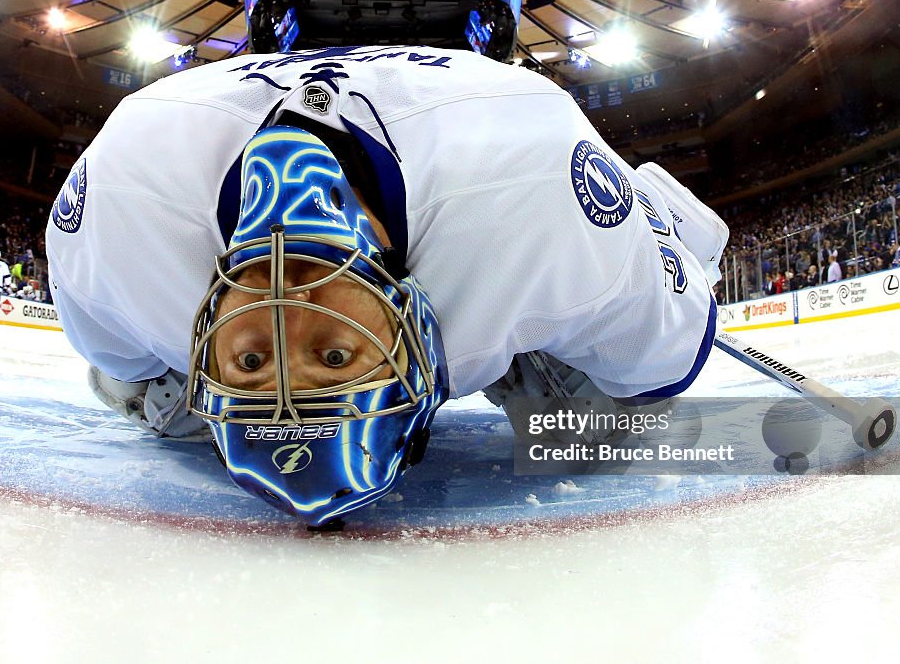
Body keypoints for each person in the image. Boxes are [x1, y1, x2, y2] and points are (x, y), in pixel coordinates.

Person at [46, 46, 726, 528]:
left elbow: (126, 366)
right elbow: (666, 358)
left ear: (206, 351)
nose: (287, 312)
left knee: (149, 400)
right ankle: (519, 355)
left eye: (251, 361)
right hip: (487, 260)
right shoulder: (535, 187)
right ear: (420, 345)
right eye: (335, 357)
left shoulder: (116, 206)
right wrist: (656, 232)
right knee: (601, 427)